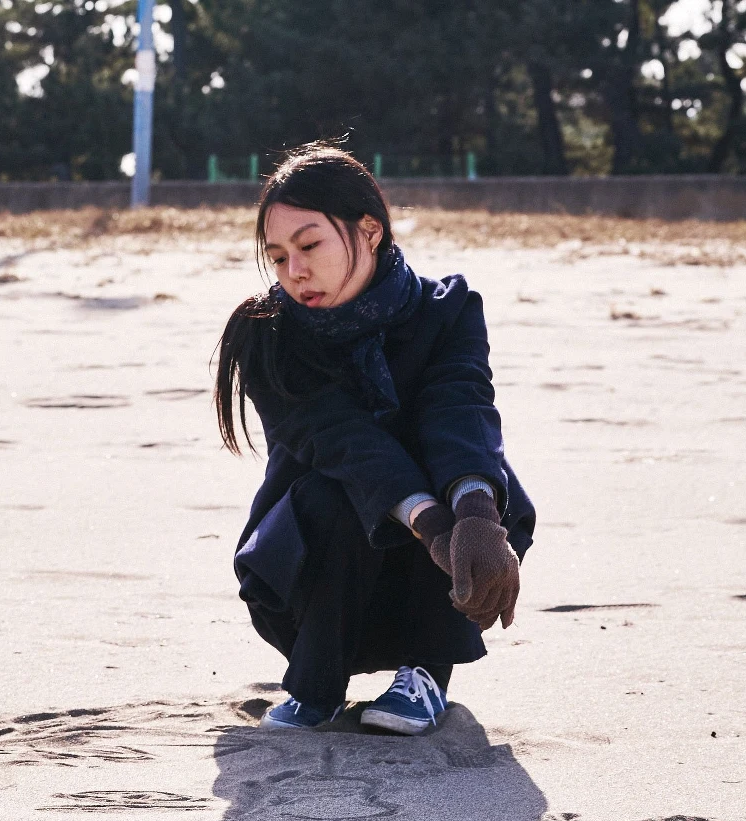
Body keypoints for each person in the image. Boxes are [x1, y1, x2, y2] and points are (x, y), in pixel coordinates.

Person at [213, 143, 535, 734]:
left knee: (479, 477)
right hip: (309, 578)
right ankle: (316, 687)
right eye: (278, 256)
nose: (294, 272)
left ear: (369, 230)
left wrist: (473, 518)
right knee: (339, 488)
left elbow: (460, 407)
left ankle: (425, 675)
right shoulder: (267, 336)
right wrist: (432, 526)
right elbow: (344, 443)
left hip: (434, 588)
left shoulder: (449, 311)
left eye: (309, 246)